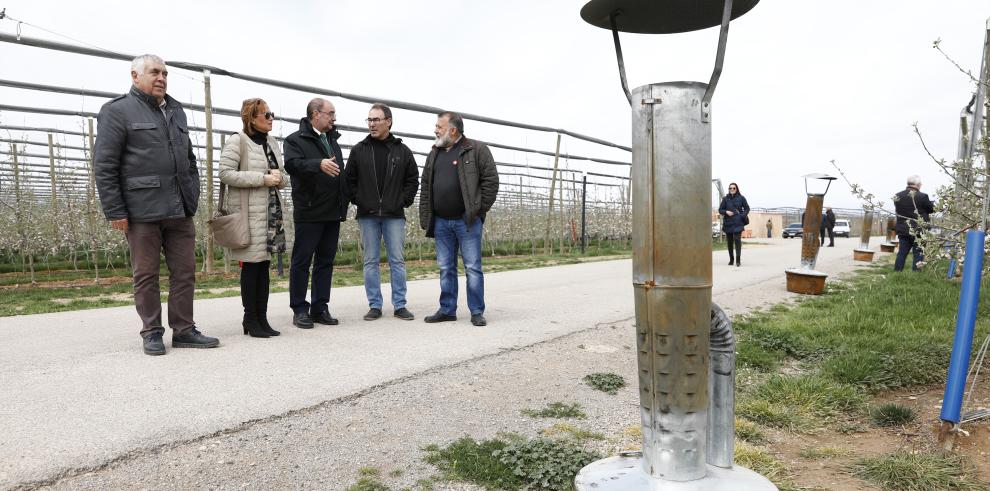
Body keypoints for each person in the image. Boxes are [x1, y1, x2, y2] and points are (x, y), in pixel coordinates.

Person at [94, 54, 219, 355]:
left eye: (165, 73)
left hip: (179, 209)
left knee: (185, 272)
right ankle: (151, 331)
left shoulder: (176, 111)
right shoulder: (118, 111)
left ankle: (184, 329)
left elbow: (189, 160)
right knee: (146, 274)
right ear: (135, 76)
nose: (161, 78)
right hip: (141, 210)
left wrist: (192, 193)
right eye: (154, 72)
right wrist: (115, 210)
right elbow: (104, 165)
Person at [419, 111, 499, 326]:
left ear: (452, 130)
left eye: (439, 126)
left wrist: (476, 211)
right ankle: (447, 309)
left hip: (467, 222)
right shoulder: (434, 153)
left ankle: (476, 311)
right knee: (446, 267)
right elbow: (426, 185)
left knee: (472, 267)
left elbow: (491, 182)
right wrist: (427, 216)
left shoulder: (477, 150)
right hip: (442, 221)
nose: (435, 130)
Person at [218, 98, 289, 338]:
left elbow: (282, 175)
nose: (271, 119)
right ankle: (250, 318)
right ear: (252, 117)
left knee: (264, 266)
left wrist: (279, 178)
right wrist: (262, 178)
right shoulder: (238, 141)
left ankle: (262, 318)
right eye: (266, 114)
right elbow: (225, 174)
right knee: (251, 267)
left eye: (272, 115)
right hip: (249, 214)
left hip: (270, 214)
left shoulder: (271, 143)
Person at [344, 103, 419, 321]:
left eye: (376, 120)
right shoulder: (359, 150)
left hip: (393, 215)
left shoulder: (401, 151)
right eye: (369, 120)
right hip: (367, 214)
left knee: (397, 260)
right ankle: (375, 305)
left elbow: (412, 179)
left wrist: (402, 201)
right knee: (370, 261)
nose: (372, 124)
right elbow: (349, 180)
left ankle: (400, 305)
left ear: (388, 121)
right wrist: (359, 200)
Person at [284, 98, 348, 328]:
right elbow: (292, 165)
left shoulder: (332, 140)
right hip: (310, 211)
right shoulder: (295, 140)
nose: (334, 118)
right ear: (315, 114)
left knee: (325, 262)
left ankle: (320, 307)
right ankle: (300, 309)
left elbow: (340, 173)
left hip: (332, 211)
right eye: (330, 113)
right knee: (302, 262)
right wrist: (317, 164)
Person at [892, 175, 934, 271]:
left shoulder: (897, 196)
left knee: (902, 253)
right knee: (918, 253)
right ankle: (916, 274)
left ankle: (897, 272)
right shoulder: (923, 196)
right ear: (918, 185)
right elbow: (931, 209)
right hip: (919, 230)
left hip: (903, 229)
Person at [717, 182, 749, 267]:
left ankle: (738, 260)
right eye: (730, 188)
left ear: (736, 189)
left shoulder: (741, 198)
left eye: (733, 188)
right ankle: (731, 259)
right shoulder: (725, 199)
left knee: (737, 240)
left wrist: (742, 216)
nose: (732, 189)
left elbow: (747, 208)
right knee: (730, 242)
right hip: (728, 222)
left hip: (738, 222)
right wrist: (726, 212)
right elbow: (720, 210)